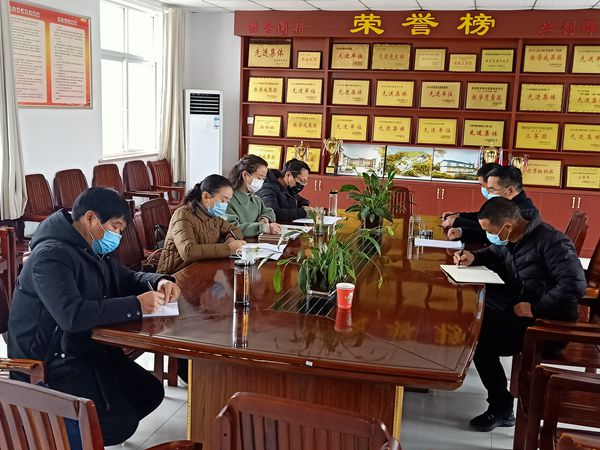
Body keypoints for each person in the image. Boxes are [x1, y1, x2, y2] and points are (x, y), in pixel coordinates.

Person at [7, 187, 181, 446]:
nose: (117, 236)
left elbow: (127, 278)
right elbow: (71, 316)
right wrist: (136, 305)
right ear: (90, 218)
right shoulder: (50, 256)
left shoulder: (90, 249)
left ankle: (85, 434)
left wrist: (159, 281)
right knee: (118, 422)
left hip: (85, 347)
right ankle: (56, 438)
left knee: (149, 392)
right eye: (115, 227)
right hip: (50, 362)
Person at [453, 197, 586, 432]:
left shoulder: (552, 242)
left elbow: (575, 286)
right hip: (521, 304)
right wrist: (475, 257)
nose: (488, 236)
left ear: (507, 226)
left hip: (548, 324)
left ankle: (501, 407)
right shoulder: (514, 236)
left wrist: (535, 308)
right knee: (472, 310)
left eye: (489, 231)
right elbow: (497, 250)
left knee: (479, 339)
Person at [157, 174, 246, 275]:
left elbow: (235, 230)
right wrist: (228, 249)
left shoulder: (213, 216)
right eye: (223, 200)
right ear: (206, 196)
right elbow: (188, 252)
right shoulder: (183, 215)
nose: (225, 205)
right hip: (175, 276)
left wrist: (230, 239)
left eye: (227, 202)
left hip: (201, 270)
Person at [444, 165, 538, 243]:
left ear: (510, 190)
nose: (488, 193)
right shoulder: (507, 203)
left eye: (492, 189)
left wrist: (460, 226)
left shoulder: (523, 213)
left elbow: (496, 237)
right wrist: (461, 229)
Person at [226, 154, 281, 237]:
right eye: (259, 178)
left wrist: (264, 218)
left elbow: (269, 211)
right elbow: (232, 228)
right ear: (245, 175)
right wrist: (263, 228)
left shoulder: (254, 198)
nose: (261, 182)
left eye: (263, 179)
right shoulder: (228, 200)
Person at [257, 158, 311, 223]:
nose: (301, 184)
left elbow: (301, 200)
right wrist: (303, 212)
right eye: (301, 180)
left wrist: (305, 205)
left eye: (304, 182)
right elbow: (273, 213)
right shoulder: (268, 187)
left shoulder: (288, 187)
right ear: (288, 174)